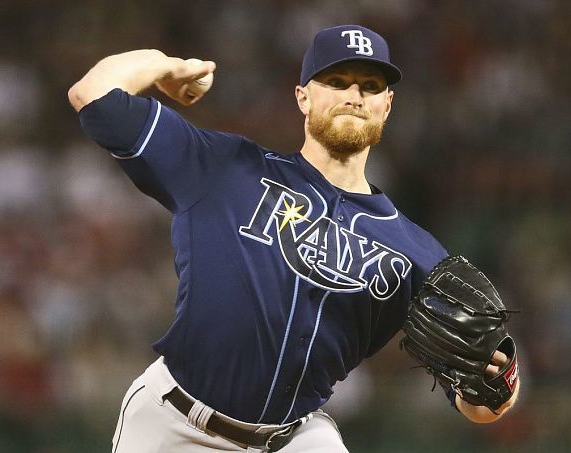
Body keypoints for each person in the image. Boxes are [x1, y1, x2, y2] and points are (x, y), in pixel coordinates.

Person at [68, 24, 520, 453]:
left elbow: (480, 407)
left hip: (291, 438)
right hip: (174, 422)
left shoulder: (417, 254)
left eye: (369, 87)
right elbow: (91, 94)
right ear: (303, 97)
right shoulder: (224, 169)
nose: (353, 96)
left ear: (387, 105)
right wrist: (165, 66)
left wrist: (499, 385)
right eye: (337, 82)